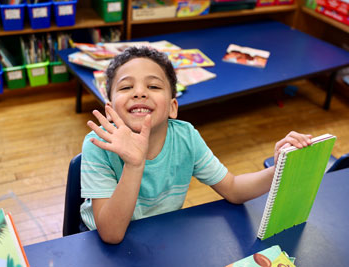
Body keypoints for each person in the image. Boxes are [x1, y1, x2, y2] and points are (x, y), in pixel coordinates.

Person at [80, 47, 312, 244]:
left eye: (153, 86)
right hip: (103, 242)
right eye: (126, 87)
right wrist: (134, 165)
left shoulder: (185, 138)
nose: (139, 92)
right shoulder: (97, 145)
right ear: (109, 109)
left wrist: (279, 168)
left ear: (173, 107)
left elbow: (233, 188)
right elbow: (111, 235)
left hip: (161, 237)